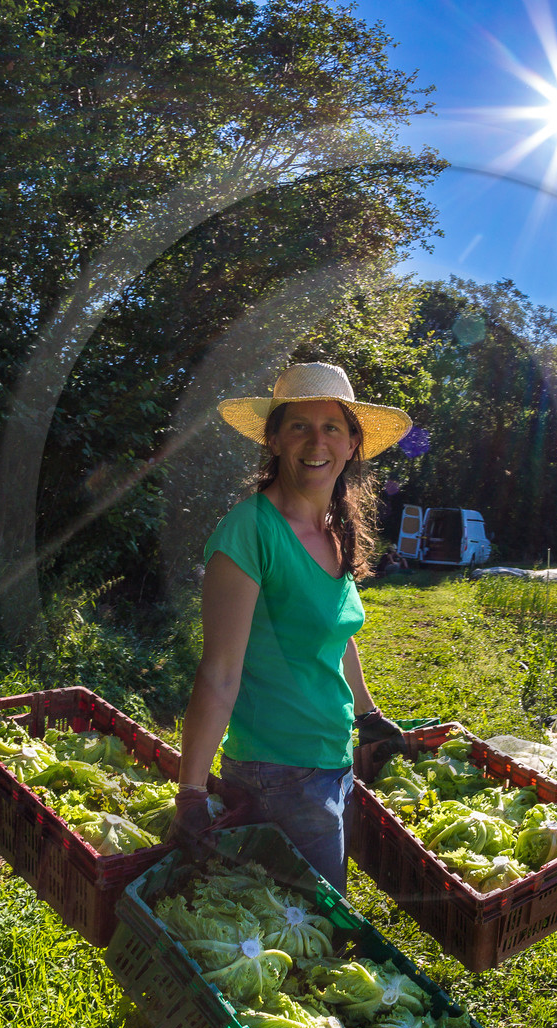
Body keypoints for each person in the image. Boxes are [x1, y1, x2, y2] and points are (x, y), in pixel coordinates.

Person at [168, 362, 413, 890]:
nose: (315, 441)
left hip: (328, 758)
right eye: (299, 425)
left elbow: (335, 633)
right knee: (314, 933)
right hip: (277, 773)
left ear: (352, 444)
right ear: (274, 439)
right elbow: (219, 673)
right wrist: (190, 793)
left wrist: (367, 713)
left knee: (308, 920)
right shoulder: (249, 533)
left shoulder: (335, 529)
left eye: (332, 427)